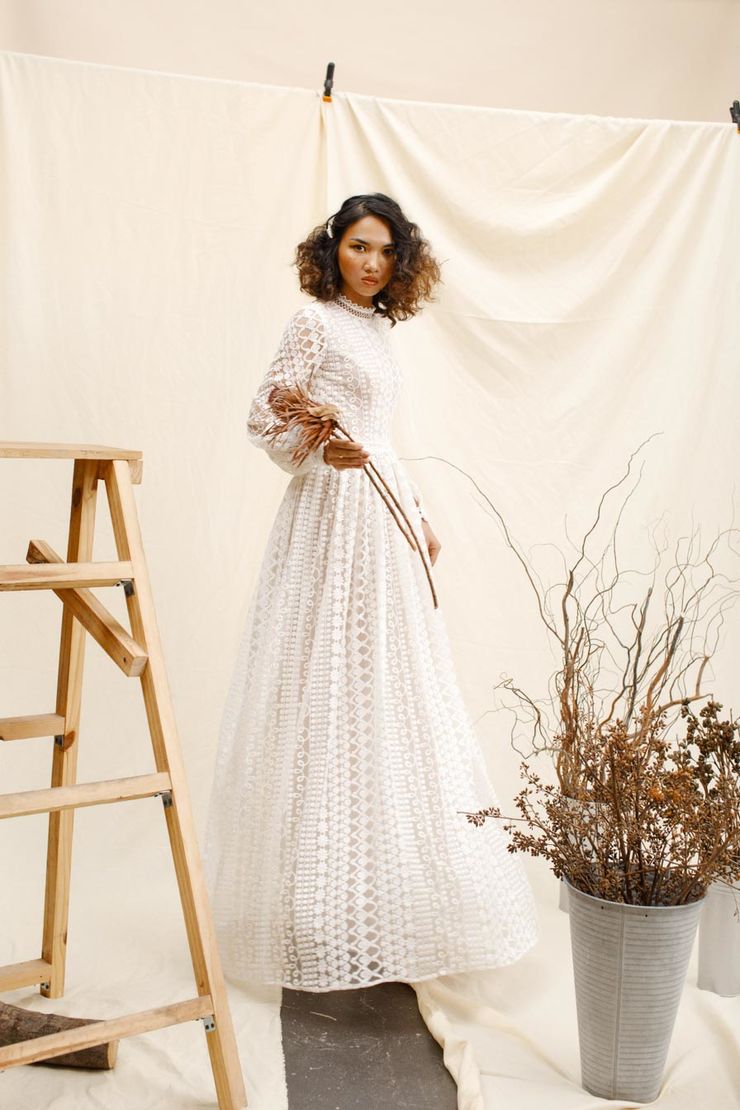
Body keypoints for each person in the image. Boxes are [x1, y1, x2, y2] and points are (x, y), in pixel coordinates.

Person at [202, 192, 538, 992]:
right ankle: (311, 902)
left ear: (401, 262)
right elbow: (262, 419)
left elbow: (381, 435)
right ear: (333, 250)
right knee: (321, 689)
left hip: (381, 522)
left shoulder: (380, 331)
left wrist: (416, 513)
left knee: (387, 689)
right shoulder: (312, 323)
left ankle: (380, 901)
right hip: (328, 520)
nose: (372, 263)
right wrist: (319, 450)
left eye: (386, 251)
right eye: (358, 246)